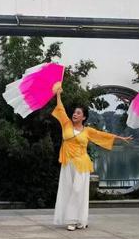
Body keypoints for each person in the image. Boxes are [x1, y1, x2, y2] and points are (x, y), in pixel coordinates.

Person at [52, 85, 132, 230]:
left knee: (78, 191)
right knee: (68, 190)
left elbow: (103, 136)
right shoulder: (66, 124)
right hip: (67, 162)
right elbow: (60, 108)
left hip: (82, 164)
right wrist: (58, 94)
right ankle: (75, 219)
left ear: (84, 117)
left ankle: (75, 220)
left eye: (78, 113)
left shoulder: (87, 131)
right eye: (74, 112)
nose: (75, 114)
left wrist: (120, 138)